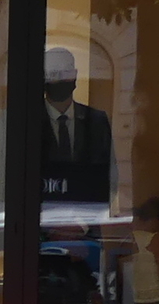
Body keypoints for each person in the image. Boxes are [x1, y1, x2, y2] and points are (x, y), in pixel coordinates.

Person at [39, 46, 115, 206]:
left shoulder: (97, 120)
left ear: (74, 76)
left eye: (64, 74)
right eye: (53, 75)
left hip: (88, 218)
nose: (58, 81)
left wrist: (84, 223)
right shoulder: (29, 122)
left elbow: (109, 178)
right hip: (38, 222)